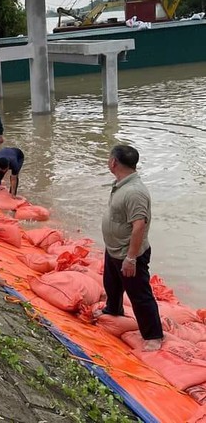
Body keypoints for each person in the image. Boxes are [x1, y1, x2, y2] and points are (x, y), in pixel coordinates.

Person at [96, 145, 163, 352]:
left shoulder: (134, 192)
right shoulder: (121, 184)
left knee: (139, 294)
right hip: (115, 248)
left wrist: (131, 258)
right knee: (112, 284)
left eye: (108, 158)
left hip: (129, 252)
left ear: (114, 162)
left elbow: (139, 225)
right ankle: (113, 310)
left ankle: (153, 335)